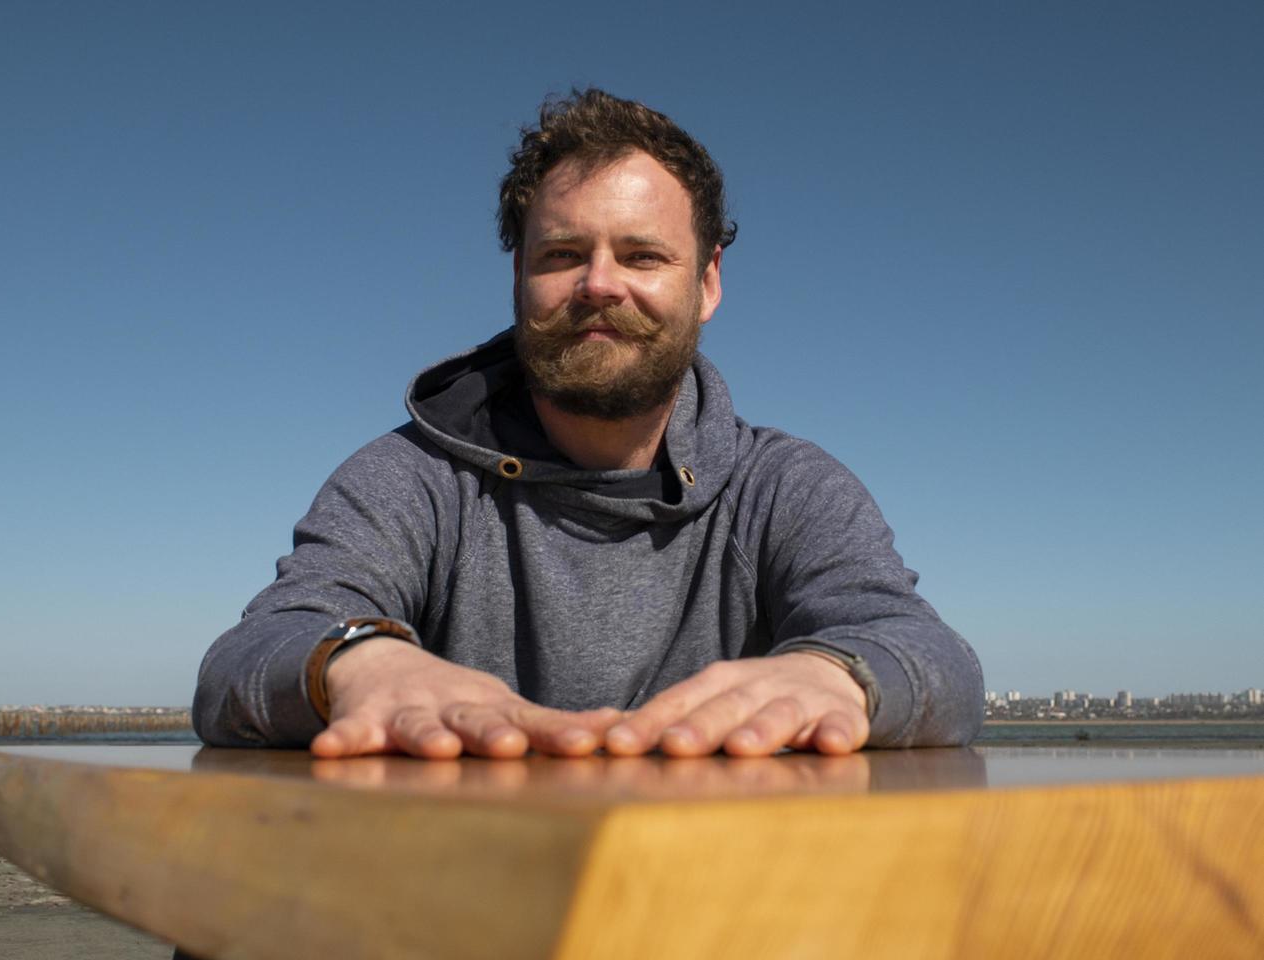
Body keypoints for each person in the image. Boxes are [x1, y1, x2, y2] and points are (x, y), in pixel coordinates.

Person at [192, 89, 984, 761]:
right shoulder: (412, 477)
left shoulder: (783, 486)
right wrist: (360, 664)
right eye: (563, 254)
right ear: (519, 278)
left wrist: (829, 673)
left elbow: (936, 660)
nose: (599, 285)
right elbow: (244, 662)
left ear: (706, 284)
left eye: (642, 257)